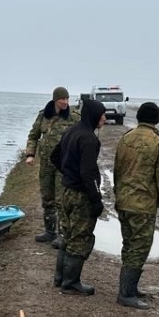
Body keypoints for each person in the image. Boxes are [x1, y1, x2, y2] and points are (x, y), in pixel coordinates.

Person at [111, 102, 159, 310]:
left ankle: (130, 288)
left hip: (124, 201)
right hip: (142, 205)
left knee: (129, 243)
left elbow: (117, 168)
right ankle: (126, 293)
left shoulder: (126, 138)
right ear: (156, 119)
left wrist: (117, 192)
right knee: (139, 246)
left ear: (138, 117)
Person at [49, 99, 107, 295]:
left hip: (65, 191)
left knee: (67, 234)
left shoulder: (71, 131)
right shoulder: (89, 139)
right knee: (80, 237)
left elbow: (54, 156)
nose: (104, 118)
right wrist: (96, 200)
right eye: (102, 115)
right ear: (94, 116)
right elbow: (88, 172)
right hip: (80, 195)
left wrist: (67, 174)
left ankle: (59, 278)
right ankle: (70, 283)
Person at [24, 86, 82, 245]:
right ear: (55, 99)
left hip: (64, 166)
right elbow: (33, 136)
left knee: (61, 200)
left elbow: (83, 136)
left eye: (67, 99)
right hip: (46, 164)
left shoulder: (74, 117)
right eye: (62, 99)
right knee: (47, 197)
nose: (65, 102)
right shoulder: (44, 115)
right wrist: (30, 154)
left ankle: (63, 235)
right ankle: (50, 231)